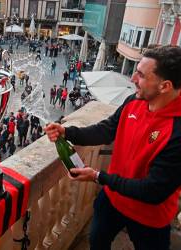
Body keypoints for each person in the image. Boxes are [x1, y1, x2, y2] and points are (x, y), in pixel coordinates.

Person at [44, 45, 181, 250]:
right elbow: (106, 130)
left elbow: (153, 191)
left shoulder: (177, 131)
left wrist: (99, 177)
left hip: (150, 217)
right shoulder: (133, 101)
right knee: (97, 241)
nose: (133, 79)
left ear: (165, 86)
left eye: (141, 75)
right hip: (112, 200)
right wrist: (67, 132)